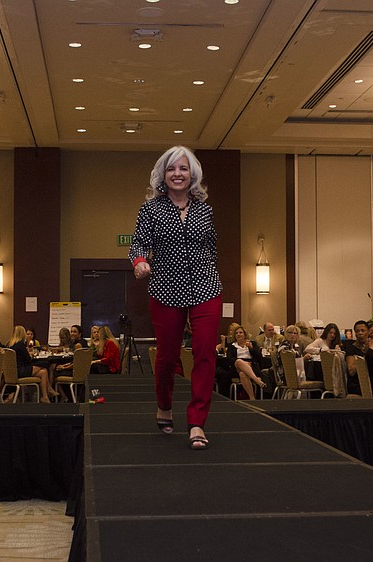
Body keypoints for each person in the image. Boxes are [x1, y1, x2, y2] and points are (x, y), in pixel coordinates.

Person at [129, 145, 222, 450]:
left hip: (205, 288)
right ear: (163, 174)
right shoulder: (151, 209)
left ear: (192, 173)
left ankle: (197, 422)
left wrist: (212, 274)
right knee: (167, 357)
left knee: (205, 352)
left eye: (183, 169)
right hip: (166, 289)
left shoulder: (204, 210)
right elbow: (139, 242)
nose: (177, 174)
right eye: (171, 169)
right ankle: (164, 405)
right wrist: (140, 261)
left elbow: (212, 248)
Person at [7, 325, 52, 403]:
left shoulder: (9, 344)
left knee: (43, 372)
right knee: (44, 364)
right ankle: (48, 391)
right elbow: (28, 360)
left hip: (12, 372)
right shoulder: (20, 344)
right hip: (20, 371)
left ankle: (45, 396)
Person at [226, 326, 266, 400]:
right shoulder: (232, 346)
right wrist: (243, 363)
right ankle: (257, 380)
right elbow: (229, 359)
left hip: (251, 366)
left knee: (242, 374)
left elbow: (259, 357)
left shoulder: (252, 343)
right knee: (239, 361)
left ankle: (252, 398)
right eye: (236, 333)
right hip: (236, 366)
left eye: (240, 332)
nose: (238, 334)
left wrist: (251, 349)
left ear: (245, 334)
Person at [344, 320, 370, 394]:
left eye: (363, 331)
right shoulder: (351, 349)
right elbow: (351, 371)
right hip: (357, 383)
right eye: (357, 331)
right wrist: (365, 357)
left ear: (368, 332)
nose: (360, 333)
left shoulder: (372, 348)